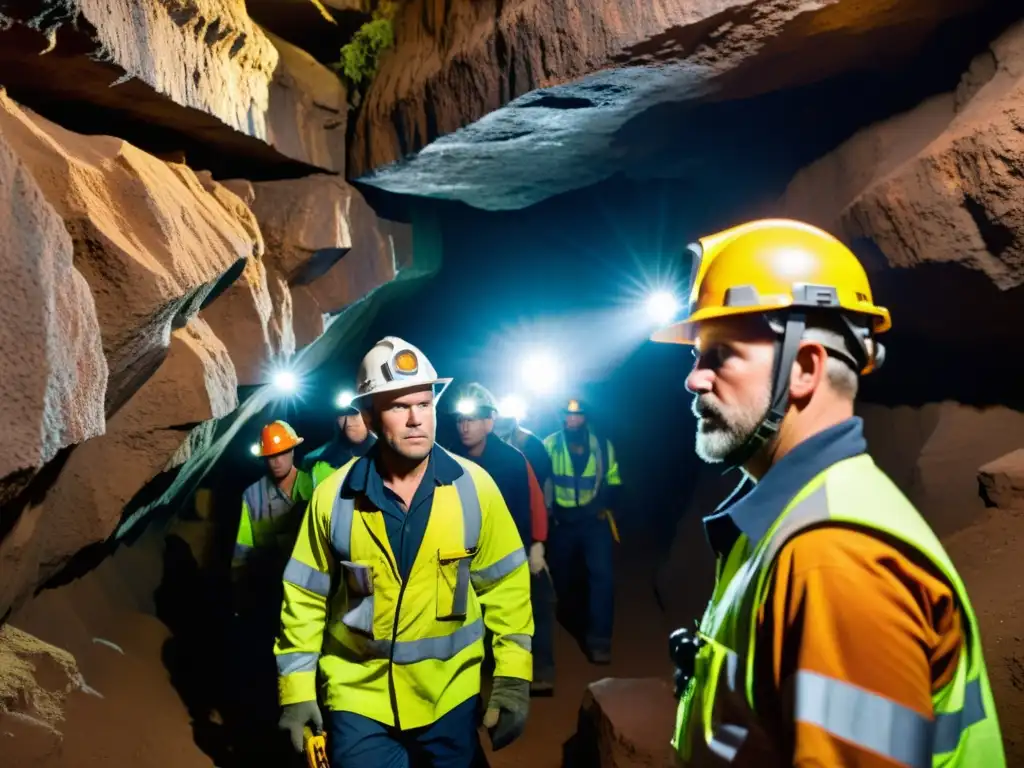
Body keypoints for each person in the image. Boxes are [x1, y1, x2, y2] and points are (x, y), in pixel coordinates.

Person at [654, 218, 1004, 765]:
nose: (693, 378)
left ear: (802, 368)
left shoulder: (835, 556)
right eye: (695, 357)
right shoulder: (792, 519)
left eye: (718, 355)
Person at [274, 337, 533, 768]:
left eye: (424, 404)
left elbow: (507, 588)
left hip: (449, 696)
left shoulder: (475, 489)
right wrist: (297, 691)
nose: (416, 420)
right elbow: (303, 599)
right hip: (359, 700)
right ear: (372, 417)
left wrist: (512, 677)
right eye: (398, 407)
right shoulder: (333, 498)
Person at [451, 382, 556, 694]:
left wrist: (536, 546)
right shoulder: (451, 460)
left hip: (510, 551)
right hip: (466, 551)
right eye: (460, 420)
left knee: (532, 607)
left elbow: (535, 502)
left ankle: (539, 671)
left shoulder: (513, 460)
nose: (465, 427)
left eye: (472, 419)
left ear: (489, 421)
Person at [231, 420, 314, 764]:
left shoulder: (317, 486)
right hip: (268, 591)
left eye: (282, 452)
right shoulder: (251, 495)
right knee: (272, 666)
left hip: (313, 593)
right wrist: (238, 595)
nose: (276, 461)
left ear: (293, 450)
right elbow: (241, 548)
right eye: (270, 455)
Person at [542, 399, 622, 664]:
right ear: (561, 418)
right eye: (568, 416)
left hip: (593, 521)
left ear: (585, 418)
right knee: (562, 579)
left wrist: (602, 504)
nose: (572, 421)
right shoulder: (550, 444)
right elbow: (539, 480)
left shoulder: (602, 446)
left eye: (577, 416)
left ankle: (600, 641)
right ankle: (571, 618)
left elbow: (613, 480)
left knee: (602, 577)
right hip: (562, 523)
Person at [302, 390, 376, 488]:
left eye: (355, 412)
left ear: (369, 415)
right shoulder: (322, 464)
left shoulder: (389, 456)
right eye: (342, 414)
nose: (348, 421)